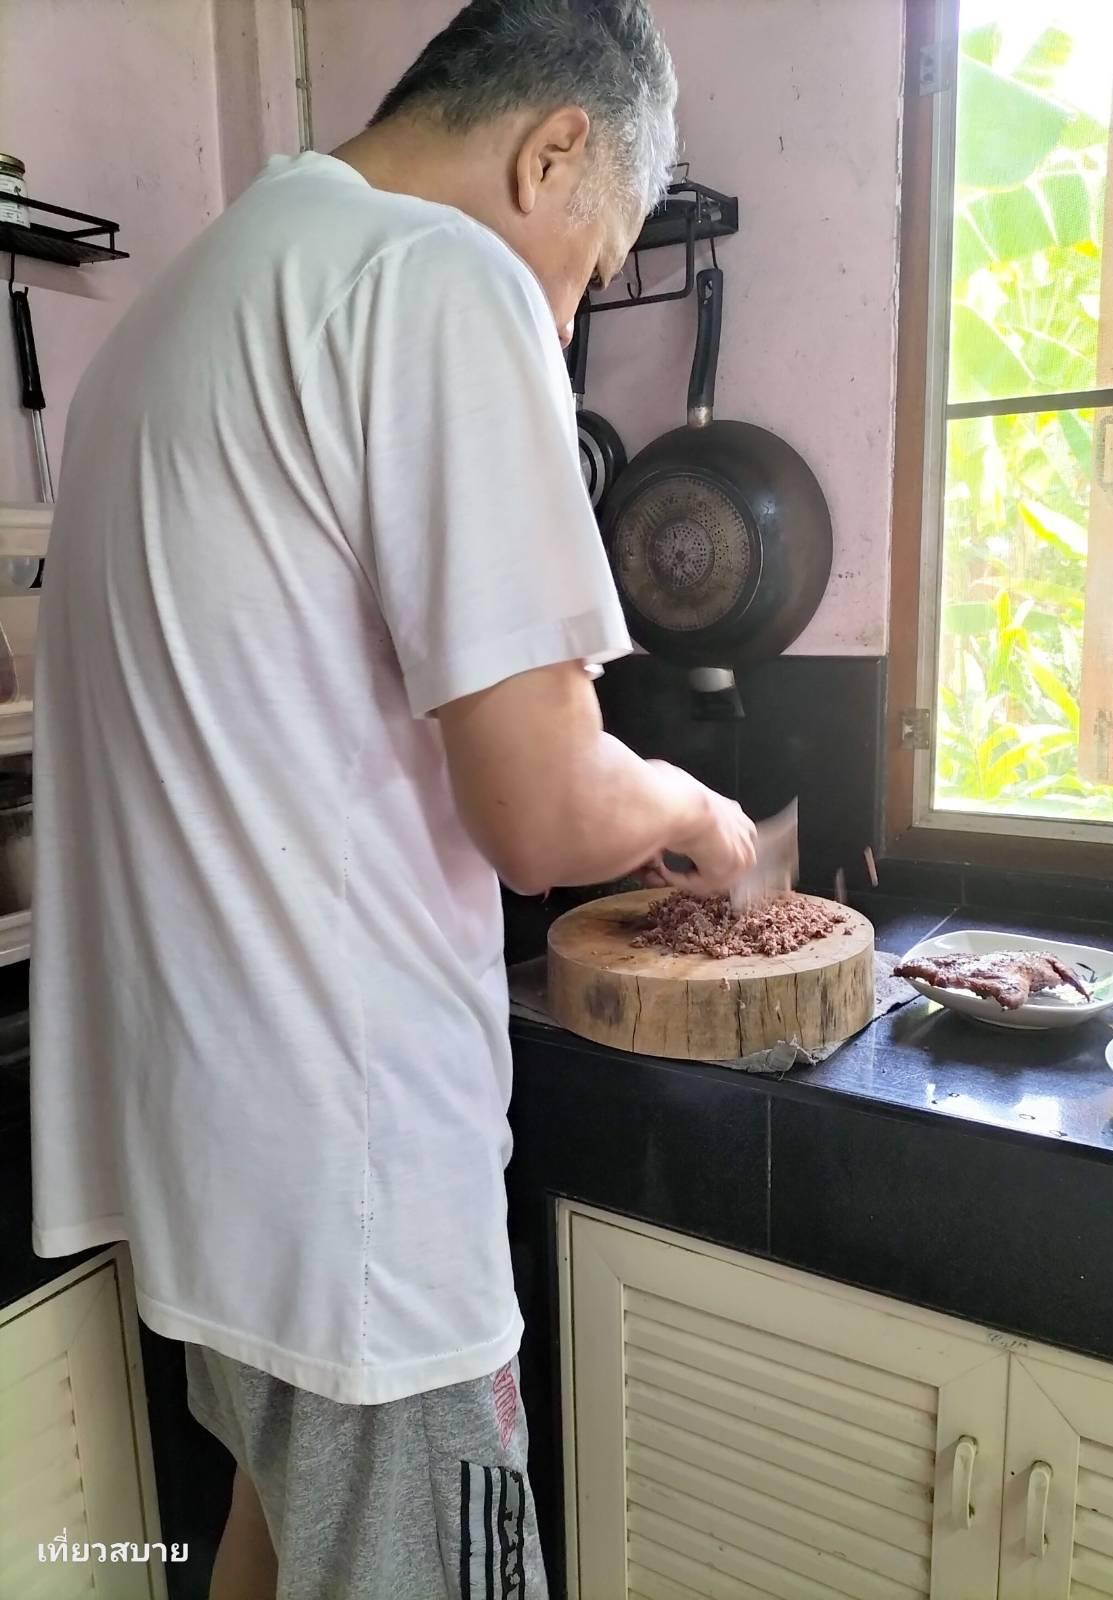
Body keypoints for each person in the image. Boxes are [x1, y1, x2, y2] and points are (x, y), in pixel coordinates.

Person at [30, 2, 757, 1595]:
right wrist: (693, 811)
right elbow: (543, 811)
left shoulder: (177, 318)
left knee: (276, 1532)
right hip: (356, 1190)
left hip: (206, 1162)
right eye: (591, 263)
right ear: (552, 152)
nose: (566, 316)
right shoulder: (438, 278)